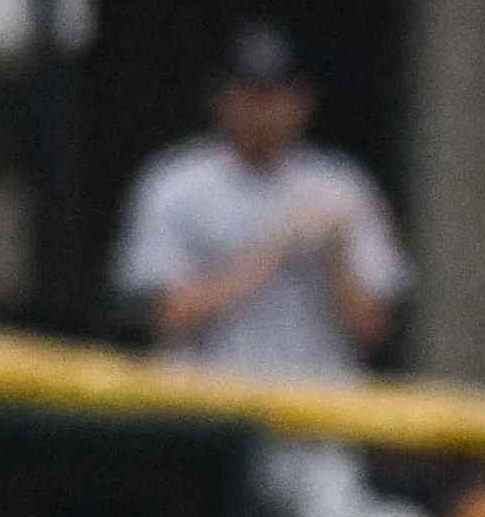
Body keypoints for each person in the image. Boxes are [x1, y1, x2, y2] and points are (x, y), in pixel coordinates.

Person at [113, 21, 407, 378]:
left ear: (302, 102)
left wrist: (334, 256)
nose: (260, 112)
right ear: (220, 98)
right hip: (210, 410)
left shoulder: (341, 187)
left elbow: (372, 332)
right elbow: (163, 317)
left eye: (274, 96)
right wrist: (272, 252)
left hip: (316, 410)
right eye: (248, 94)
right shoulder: (175, 183)